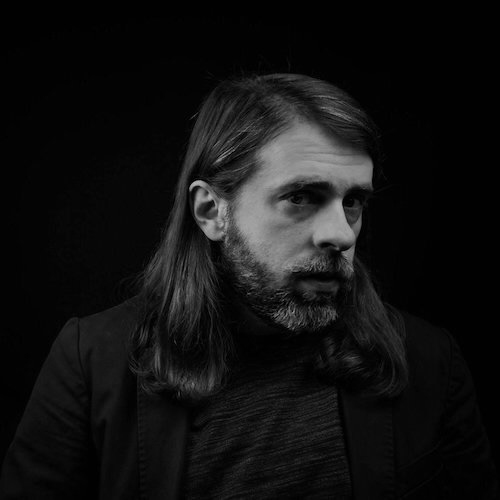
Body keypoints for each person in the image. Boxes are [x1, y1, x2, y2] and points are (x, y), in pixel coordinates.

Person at [0, 73, 497, 500]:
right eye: (301, 196)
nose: (342, 234)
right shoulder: (92, 364)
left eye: (353, 202)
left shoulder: (430, 361)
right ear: (212, 212)